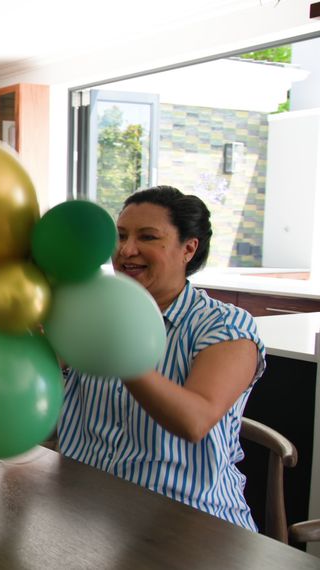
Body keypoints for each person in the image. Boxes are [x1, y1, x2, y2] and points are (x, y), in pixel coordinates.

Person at [57, 185, 266, 530]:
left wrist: (116, 349)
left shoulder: (225, 325)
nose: (126, 250)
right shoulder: (92, 310)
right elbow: (45, 403)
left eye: (148, 237)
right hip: (86, 513)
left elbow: (194, 421)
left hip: (190, 521)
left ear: (188, 248)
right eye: (120, 236)